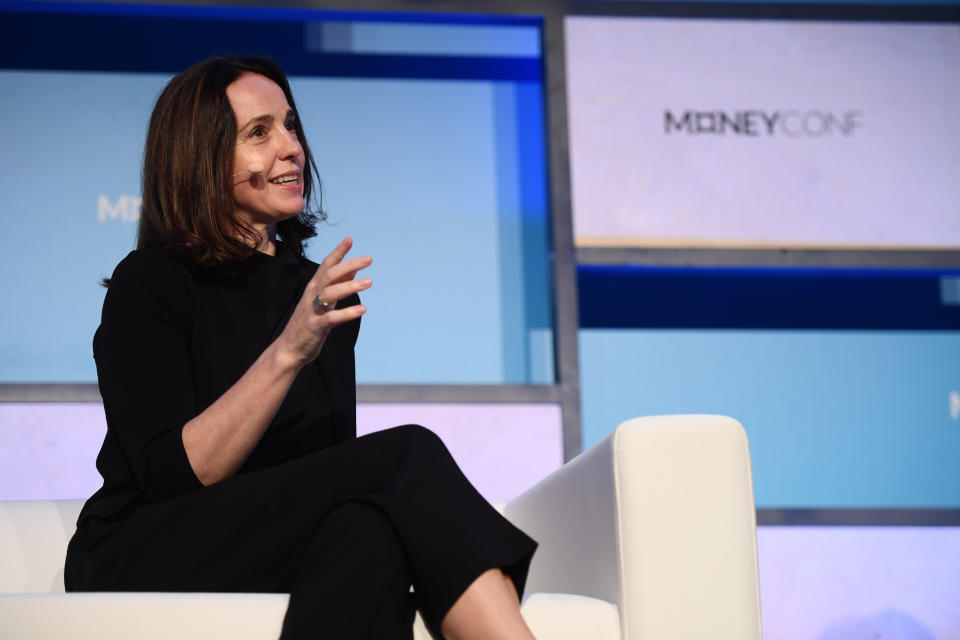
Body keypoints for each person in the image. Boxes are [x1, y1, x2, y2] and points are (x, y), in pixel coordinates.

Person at [64, 56, 538, 640]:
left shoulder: (316, 293)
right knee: (406, 455)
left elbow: (327, 468)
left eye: (291, 126)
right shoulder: (152, 282)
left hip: (260, 540)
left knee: (367, 527)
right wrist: (289, 350)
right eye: (259, 133)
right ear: (202, 158)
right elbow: (174, 476)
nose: (291, 148)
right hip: (147, 542)